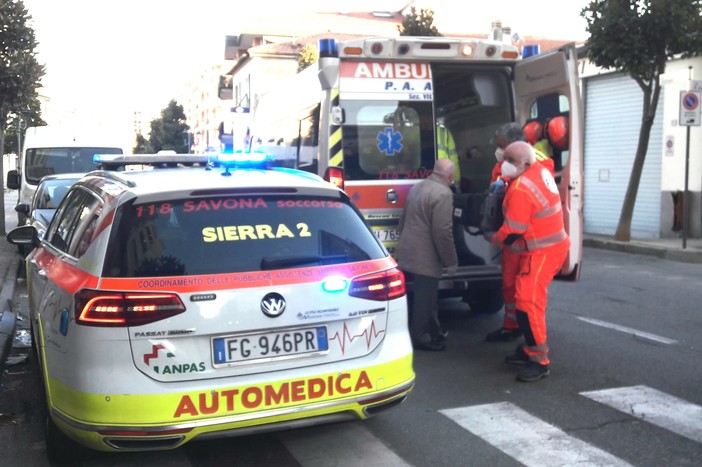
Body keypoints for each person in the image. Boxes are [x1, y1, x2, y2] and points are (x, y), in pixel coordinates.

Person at [487, 141, 570, 382]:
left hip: (543, 252)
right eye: (505, 159)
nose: (505, 165)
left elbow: (513, 230)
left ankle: (539, 360)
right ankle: (529, 349)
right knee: (524, 300)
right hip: (545, 247)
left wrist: (494, 238)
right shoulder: (538, 170)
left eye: (511, 161)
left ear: (524, 163)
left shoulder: (522, 188)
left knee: (527, 302)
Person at [485, 122, 555, 343]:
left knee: (527, 292)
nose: (500, 152)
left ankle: (530, 335)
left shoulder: (539, 162)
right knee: (508, 283)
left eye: (502, 146)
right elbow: (496, 185)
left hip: (529, 236)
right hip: (513, 234)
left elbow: (530, 194)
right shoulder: (505, 162)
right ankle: (511, 324)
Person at [397, 158, 459, 351]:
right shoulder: (443, 194)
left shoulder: (418, 187)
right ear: (449, 177)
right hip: (426, 255)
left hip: (408, 250)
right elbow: (442, 232)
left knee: (428, 297)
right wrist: (451, 261)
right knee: (425, 299)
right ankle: (420, 337)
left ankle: (434, 331)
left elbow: (403, 218)